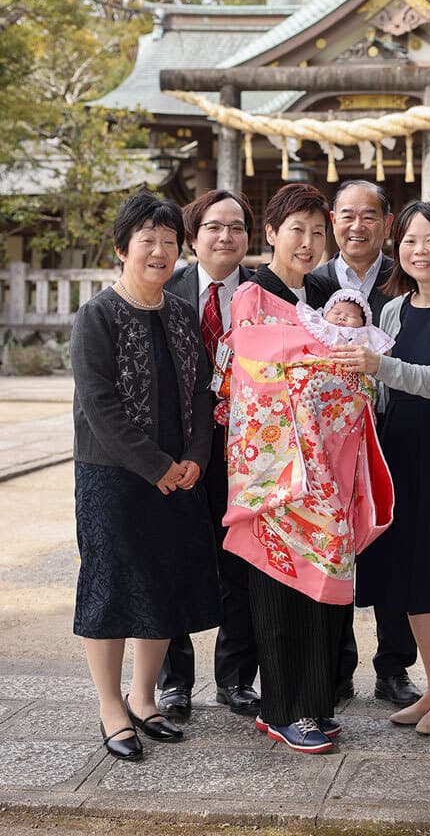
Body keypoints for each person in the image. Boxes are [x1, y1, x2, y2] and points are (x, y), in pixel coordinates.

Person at [223, 183, 380, 754]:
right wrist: (319, 356)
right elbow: (256, 370)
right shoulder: (251, 296)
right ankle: (288, 709)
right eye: (298, 230)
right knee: (276, 591)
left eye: (319, 231)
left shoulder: (326, 294)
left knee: (323, 591)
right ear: (270, 234)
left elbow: (351, 370)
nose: (310, 242)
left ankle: (305, 705)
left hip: (328, 473)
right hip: (275, 473)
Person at [332, 201, 430, 735]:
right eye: (408, 241)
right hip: (397, 459)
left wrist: (378, 365)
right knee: (411, 582)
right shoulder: (394, 309)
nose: (418, 251)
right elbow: (377, 390)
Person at [70, 192, 221, 761]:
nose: (159, 252)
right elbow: (100, 406)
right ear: (122, 249)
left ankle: (144, 696)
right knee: (111, 588)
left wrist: (194, 461)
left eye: (168, 242)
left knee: (161, 582)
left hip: (179, 476)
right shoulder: (97, 315)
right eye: (147, 241)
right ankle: (111, 705)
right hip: (114, 477)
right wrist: (156, 466)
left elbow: (204, 398)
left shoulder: (181, 314)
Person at [313, 180, 422, 709]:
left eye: (369, 217)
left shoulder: (406, 279)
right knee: (332, 545)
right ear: (333, 220)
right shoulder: (312, 284)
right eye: (346, 216)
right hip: (328, 439)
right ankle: (335, 667)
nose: (357, 227)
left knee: (390, 545)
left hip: (392, 429)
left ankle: (394, 666)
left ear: (387, 221)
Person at [157, 189, 260, 721]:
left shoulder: (264, 294)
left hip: (248, 451)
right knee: (175, 559)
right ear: (193, 238)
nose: (227, 237)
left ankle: (237, 678)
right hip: (178, 452)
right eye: (215, 227)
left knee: (240, 561)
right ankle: (174, 681)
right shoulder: (164, 291)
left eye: (238, 227)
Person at [295, 287, 395, 353]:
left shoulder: (366, 334)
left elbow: (381, 355)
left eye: (351, 316)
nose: (342, 317)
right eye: (337, 313)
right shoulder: (318, 326)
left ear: (363, 322)